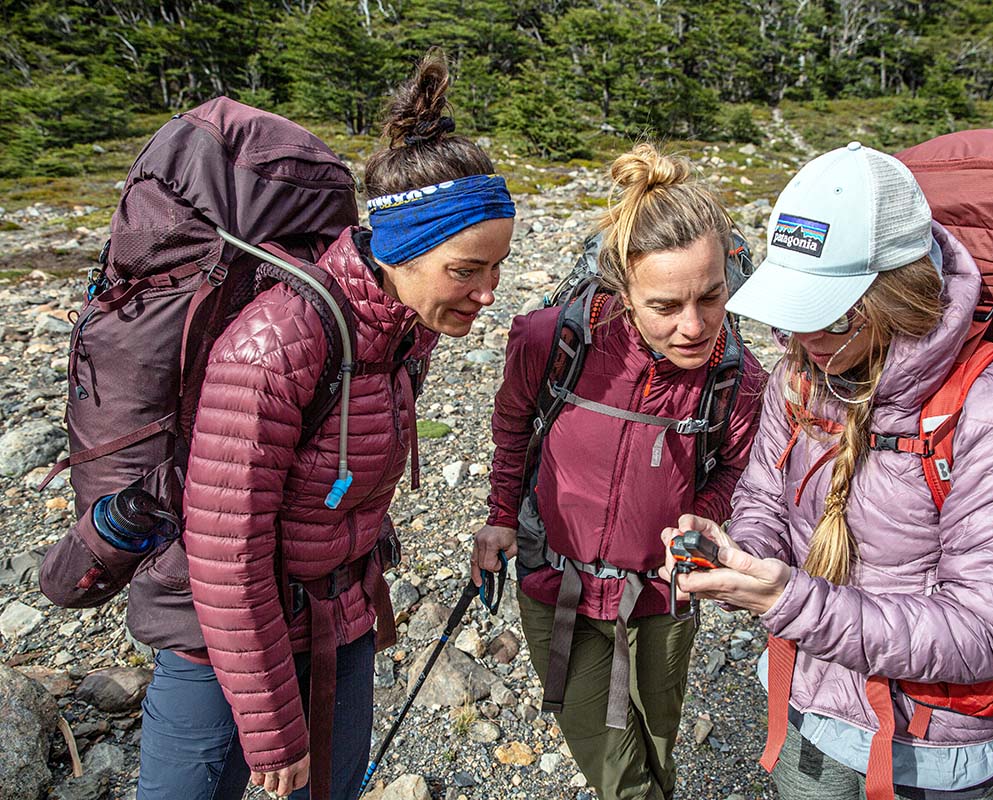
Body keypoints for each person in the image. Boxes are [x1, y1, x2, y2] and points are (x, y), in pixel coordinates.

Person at [136, 54, 515, 800]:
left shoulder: (406, 327)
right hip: (218, 644)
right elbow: (225, 551)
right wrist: (274, 724)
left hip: (335, 613)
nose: (488, 293)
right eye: (467, 270)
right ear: (400, 248)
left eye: (498, 268)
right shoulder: (276, 344)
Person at [661, 142, 993, 800]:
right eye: (791, 309)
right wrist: (735, 557)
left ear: (895, 295)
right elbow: (766, 500)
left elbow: (985, 634)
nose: (801, 336)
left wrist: (786, 601)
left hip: (928, 752)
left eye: (827, 313)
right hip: (801, 703)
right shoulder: (801, 372)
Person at [471, 143, 766, 800]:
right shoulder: (552, 341)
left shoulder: (737, 379)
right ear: (622, 289)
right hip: (558, 582)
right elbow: (515, 424)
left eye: (711, 297)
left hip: (668, 590)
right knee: (613, 764)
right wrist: (498, 517)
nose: (694, 327)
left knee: (659, 737)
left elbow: (739, 470)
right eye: (665, 305)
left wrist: (706, 516)